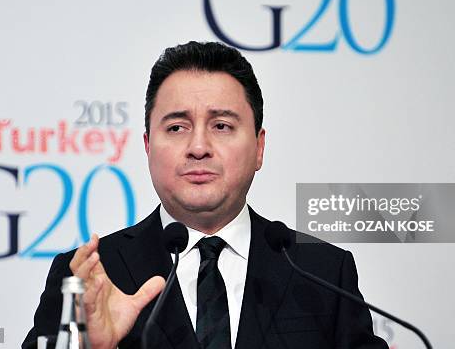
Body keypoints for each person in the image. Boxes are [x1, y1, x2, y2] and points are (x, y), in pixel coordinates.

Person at [22, 41, 388, 349]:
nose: (198, 147)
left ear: (259, 148)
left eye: (222, 125)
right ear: (148, 146)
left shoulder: (322, 272)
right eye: (177, 126)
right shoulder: (91, 277)